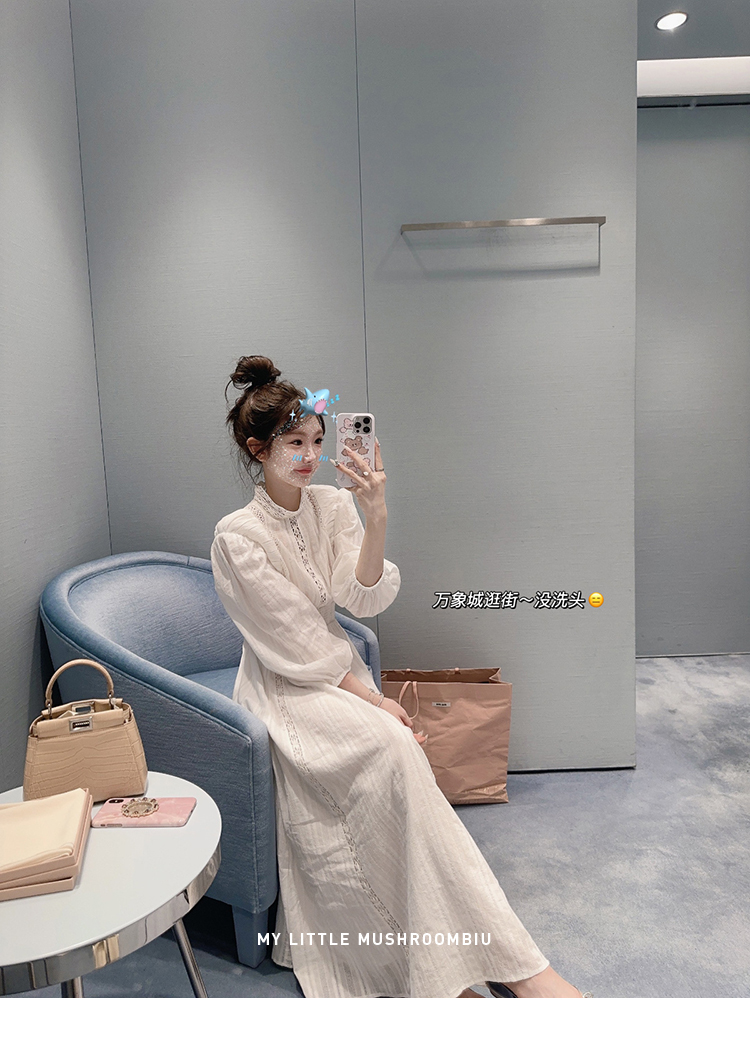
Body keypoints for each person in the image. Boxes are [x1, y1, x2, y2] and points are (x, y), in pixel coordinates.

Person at [211, 355, 590, 999]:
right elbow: (291, 642)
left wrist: (376, 511)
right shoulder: (237, 536)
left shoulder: (332, 503)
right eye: (293, 443)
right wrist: (373, 699)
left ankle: (498, 967)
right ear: (258, 449)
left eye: (317, 441)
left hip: (336, 673)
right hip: (283, 686)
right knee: (391, 746)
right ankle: (481, 973)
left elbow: (359, 598)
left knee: (399, 758)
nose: (310, 456)